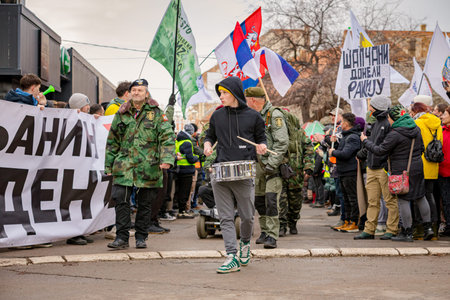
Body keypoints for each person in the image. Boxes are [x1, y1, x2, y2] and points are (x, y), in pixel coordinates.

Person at [204, 76, 267, 274]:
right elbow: (210, 136)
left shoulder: (254, 116)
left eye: (224, 93)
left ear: (235, 93)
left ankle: (245, 244)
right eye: (220, 93)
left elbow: (261, 138)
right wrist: (206, 145)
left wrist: (262, 147)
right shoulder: (217, 116)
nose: (221, 96)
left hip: (244, 171)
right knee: (225, 217)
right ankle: (231, 256)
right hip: (220, 171)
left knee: (247, 217)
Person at [105, 78, 175, 249]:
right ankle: (121, 238)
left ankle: (141, 237)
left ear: (146, 93)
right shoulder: (121, 113)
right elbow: (112, 140)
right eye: (134, 90)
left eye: (140, 90)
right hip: (124, 165)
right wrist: (108, 165)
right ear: (129, 93)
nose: (136, 93)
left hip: (148, 166)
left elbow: (167, 137)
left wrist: (166, 159)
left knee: (145, 204)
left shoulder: (156, 113)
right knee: (120, 199)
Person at [361, 105, 433, 242]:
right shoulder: (416, 129)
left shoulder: (395, 134)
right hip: (417, 168)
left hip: (400, 170)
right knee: (420, 197)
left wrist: (365, 142)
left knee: (403, 199)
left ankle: (407, 232)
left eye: (389, 117)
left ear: (394, 118)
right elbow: (422, 147)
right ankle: (428, 228)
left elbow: (380, 150)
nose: (388, 120)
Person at [245, 87, 289, 248]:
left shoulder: (274, 115)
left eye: (247, 100)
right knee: (259, 201)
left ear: (253, 100)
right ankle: (264, 231)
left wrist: (271, 163)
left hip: (272, 166)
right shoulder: (256, 116)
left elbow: (281, 142)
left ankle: (272, 235)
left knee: (271, 201)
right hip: (257, 166)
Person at [354, 96, 399, 240]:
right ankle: (369, 229)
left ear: (377, 107)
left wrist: (365, 142)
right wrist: (362, 154)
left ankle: (391, 229)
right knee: (372, 201)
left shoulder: (388, 124)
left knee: (389, 201)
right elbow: (371, 146)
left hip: (383, 168)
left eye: (371, 106)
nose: (369, 108)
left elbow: (382, 148)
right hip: (371, 167)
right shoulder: (374, 124)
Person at [410, 102, 443, 239]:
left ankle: (420, 230)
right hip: (433, 165)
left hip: (420, 164)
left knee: (419, 197)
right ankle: (434, 230)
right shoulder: (437, 123)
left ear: (416, 111)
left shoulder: (418, 123)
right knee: (430, 197)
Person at [329, 113, 361, 233]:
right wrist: (334, 143)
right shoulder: (346, 136)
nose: (340, 124)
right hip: (343, 171)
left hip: (350, 171)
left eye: (341, 122)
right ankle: (347, 220)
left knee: (352, 198)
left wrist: (334, 152)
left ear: (347, 124)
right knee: (346, 199)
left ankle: (354, 222)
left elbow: (346, 153)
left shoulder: (352, 137)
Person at [174, 123, 199, 218]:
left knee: (180, 191)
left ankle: (181, 210)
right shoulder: (187, 142)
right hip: (187, 170)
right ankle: (182, 211)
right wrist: (197, 157)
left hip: (179, 169)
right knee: (185, 192)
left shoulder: (179, 141)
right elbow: (190, 158)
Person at [439, 106, 450, 236]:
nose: (442, 116)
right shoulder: (441, 130)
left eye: (445, 114)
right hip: (443, 171)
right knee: (446, 201)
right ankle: (448, 225)